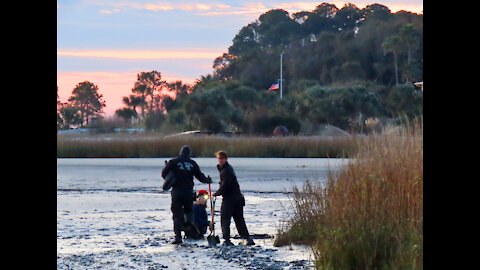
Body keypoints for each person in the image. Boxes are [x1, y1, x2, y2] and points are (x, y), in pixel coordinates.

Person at [162, 145, 212, 244]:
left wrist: (172, 178)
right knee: (189, 213)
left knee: (177, 215)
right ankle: (190, 232)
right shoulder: (192, 163)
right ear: (189, 154)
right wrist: (207, 180)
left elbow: (164, 174)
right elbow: (200, 177)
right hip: (188, 192)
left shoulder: (173, 162)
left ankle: (178, 237)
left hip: (177, 192)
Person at [212, 150, 255, 246]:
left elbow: (225, 185)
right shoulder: (225, 169)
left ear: (226, 159)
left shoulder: (226, 170)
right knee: (239, 219)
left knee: (225, 219)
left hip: (231, 199)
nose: (220, 161)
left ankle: (227, 240)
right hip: (237, 198)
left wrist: (216, 194)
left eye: (222, 159)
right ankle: (246, 238)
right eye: (219, 159)